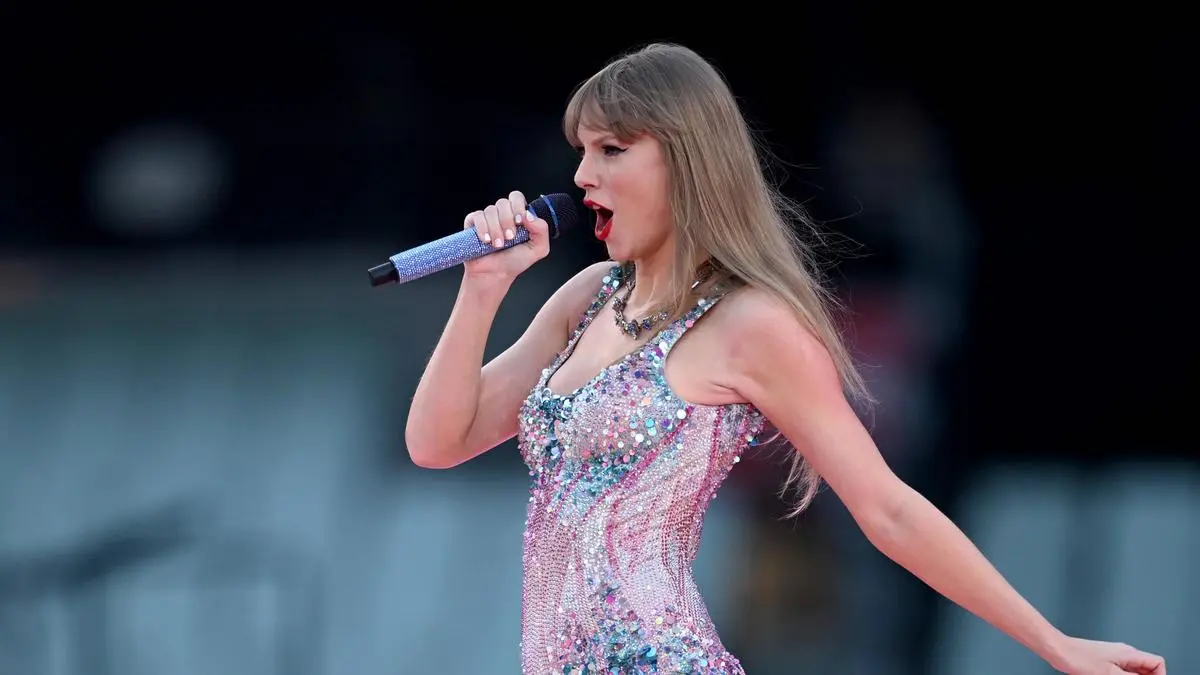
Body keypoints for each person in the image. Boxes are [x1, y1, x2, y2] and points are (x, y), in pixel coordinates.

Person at [404, 43, 1166, 675]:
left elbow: (889, 508)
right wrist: (483, 287)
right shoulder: (587, 297)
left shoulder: (752, 324)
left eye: (611, 150)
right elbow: (438, 441)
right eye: (582, 151)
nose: (581, 177)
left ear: (685, 161)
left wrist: (1054, 643)